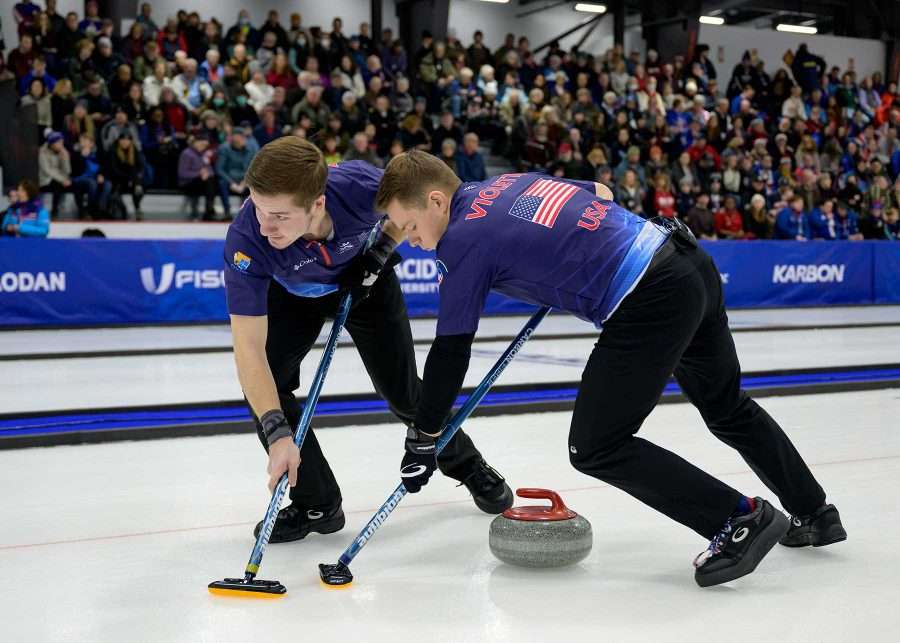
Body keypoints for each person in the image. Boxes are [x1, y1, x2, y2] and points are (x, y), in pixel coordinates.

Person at [375, 151, 845, 587]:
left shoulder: (460, 240)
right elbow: (601, 193)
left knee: (596, 445)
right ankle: (814, 512)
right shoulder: (507, 182)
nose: (413, 243)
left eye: (410, 226)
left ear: (436, 200)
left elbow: (451, 350)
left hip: (650, 295)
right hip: (686, 260)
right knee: (726, 407)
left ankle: (739, 519)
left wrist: (424, 437)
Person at [222, 137, 513, 544]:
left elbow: (406, 210)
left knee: (405, 394)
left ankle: (466, 464)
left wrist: (380, 251)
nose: (263, 225)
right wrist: (277, 434)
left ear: (318, 204)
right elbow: (248, 351)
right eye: (257, 208)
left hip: (367, 285)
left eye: (279, 216)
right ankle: (316, 503)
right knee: (267, 388)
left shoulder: (358, 185)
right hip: (295, 297)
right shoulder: (247, 241)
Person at [178, 136, 217, 220]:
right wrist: (199, 174)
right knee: (203, 183)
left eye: (205, 145)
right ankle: (199, 212)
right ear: (195, 143)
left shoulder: (204, 154)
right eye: (202, 144)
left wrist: (207, 173)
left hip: (203, 181)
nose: (203, 147)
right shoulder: (187, 153)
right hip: (188, 181)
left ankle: (208, 211)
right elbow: (182, 173)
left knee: (210, 181)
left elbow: (210, 169)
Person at [38, 131, 71, 217]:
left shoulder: (63, 151)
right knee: (57, 185)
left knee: (77, 184)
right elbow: (46, 170)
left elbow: (67, 171)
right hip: (46, 179)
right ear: (52, 143)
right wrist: (62, 180)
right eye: (59, 143)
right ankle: (54, 211)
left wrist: (65, 157)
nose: (61, 145)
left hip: (60, 178)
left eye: (62, 142)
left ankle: (83, 212)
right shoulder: (42, 152)